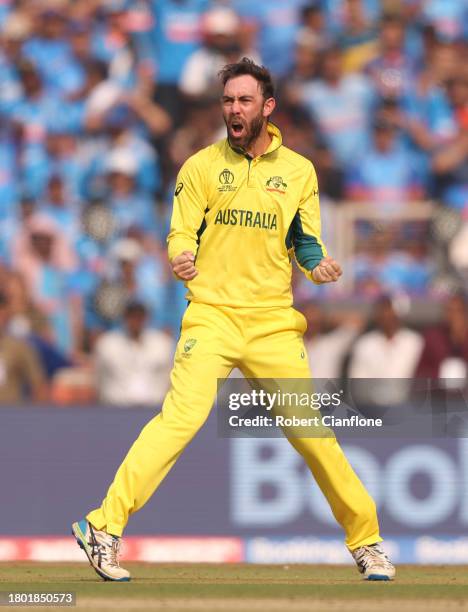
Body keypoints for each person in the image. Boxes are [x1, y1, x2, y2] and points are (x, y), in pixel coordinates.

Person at [72, 58, 395, 583]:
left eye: (244, 101)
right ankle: (103, 527)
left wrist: (319, 265)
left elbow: (306, 242)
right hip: (213, 318)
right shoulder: (200, 166)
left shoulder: (298, 171)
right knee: (180, 420)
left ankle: (368, 542)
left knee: (313, 436)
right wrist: (180, 255)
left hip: (271, 323)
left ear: (267, 107)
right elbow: (181, 233)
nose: (234, 110)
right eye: (228, 101)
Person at [94, 301, 173, 407]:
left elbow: (170, 375)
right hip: (117, 408)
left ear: (146, 318)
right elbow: (100, 377)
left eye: (139, 317)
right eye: (132, 316)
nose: (136, 321)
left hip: (154, 407)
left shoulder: (162, 343)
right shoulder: (108, 343)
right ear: (125, 318)